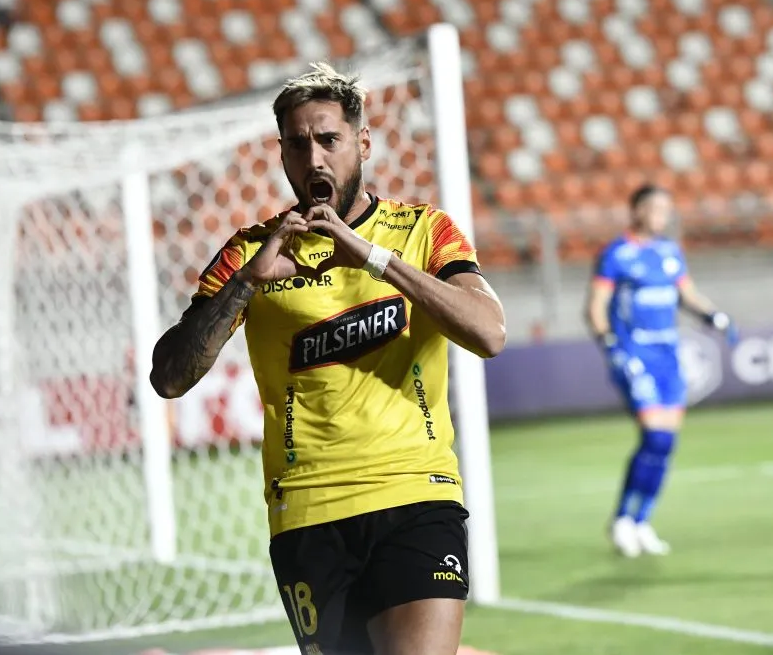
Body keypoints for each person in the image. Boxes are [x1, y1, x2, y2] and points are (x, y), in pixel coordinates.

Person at [149, 62, 506, 655]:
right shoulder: (250, 252)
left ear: (362, 143)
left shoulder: (424, 231)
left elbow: (488, 333)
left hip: (415, 492)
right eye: (298, 143)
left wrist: (371, 257)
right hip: (307, 511)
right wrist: (247, 285)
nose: (314, 158)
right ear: (283, 154)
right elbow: (169, 377)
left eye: (329, 140)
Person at [584, 184, 736, 559]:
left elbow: (688, 295)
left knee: (667, 444)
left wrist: (714, 315)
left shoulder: (670, 253)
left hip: (669, 356)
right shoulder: (616, 255)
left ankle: (641, 521)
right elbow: (596, 306)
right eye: (654, 208)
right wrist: (608, 344)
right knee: (655, 437)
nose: (661, 215)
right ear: (636, 210)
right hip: (635, 355)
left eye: (666, 209)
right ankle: (622, 519)